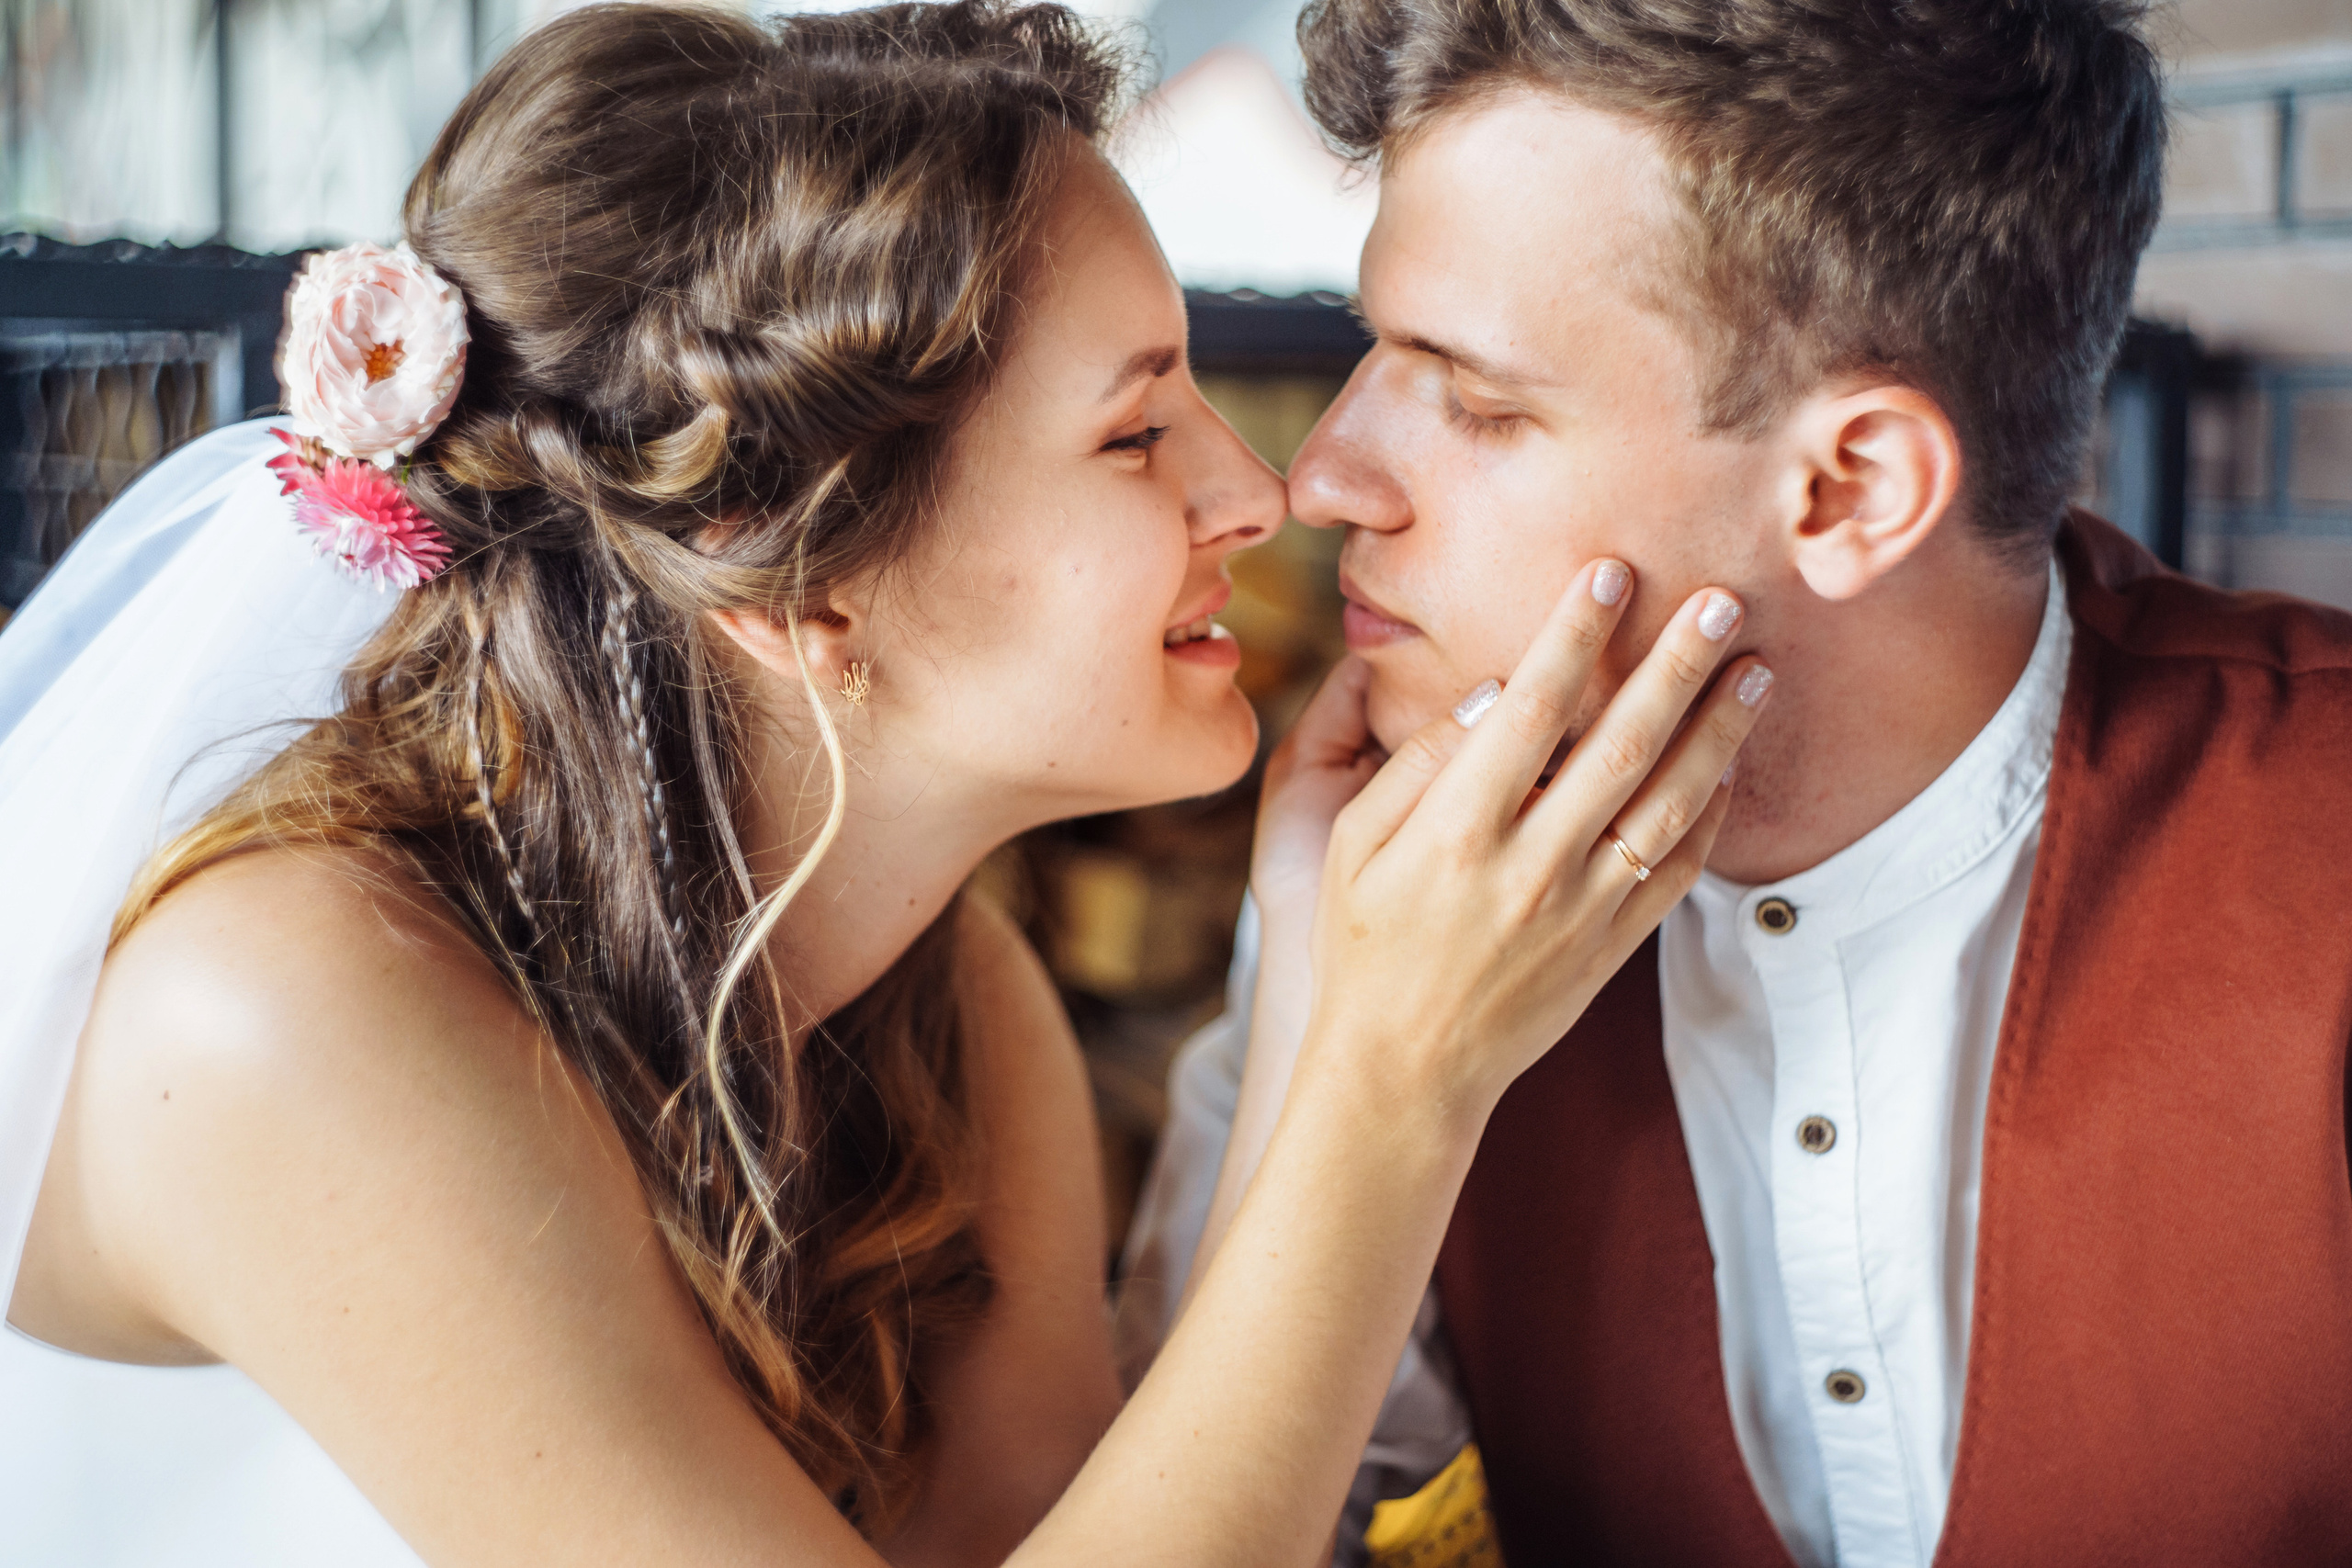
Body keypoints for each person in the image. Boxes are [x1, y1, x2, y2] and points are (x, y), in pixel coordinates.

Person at [0, 4, 1771, 1564]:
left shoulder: (945, 999)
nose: (1264, 492)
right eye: (1139, 429)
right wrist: (1401, 1077)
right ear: (800, 572)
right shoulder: (287, 1008)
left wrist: (1314, 992)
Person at [1120, 0, 2352, 1564]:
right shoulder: (1381, 884)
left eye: (1478, 398)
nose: (1322, 478)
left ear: (1851, 488)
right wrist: (1330, 1036)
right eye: (1373, 353)